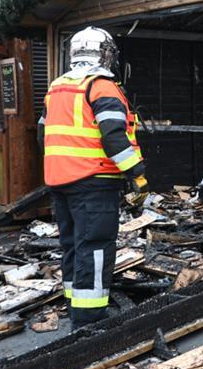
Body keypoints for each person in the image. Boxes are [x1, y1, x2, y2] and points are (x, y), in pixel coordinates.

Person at [37, 27, 148, 330]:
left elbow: (42, 135)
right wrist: (136, 174)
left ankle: (75, 304)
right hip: (94, 182)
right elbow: (114, 138)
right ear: (106, 54)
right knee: (95, 247)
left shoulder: (57, 87)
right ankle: (90, 319)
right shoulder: (102, 88)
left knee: (73, 245)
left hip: (60, 181)